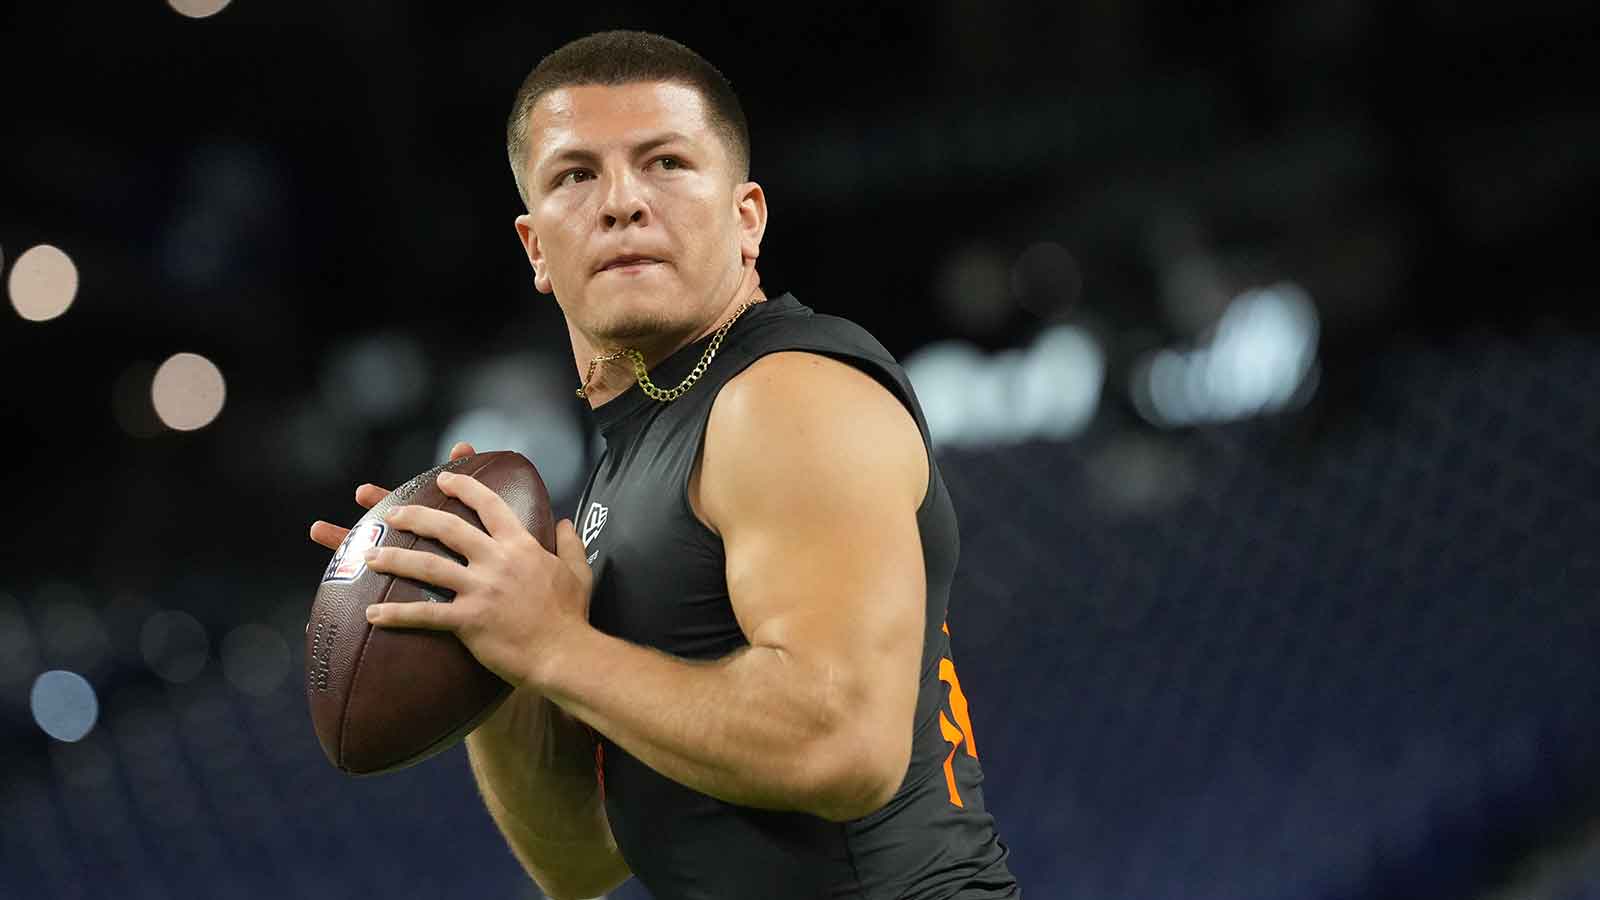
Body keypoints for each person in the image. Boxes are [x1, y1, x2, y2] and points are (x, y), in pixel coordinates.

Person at [309, 30, 1018, 900]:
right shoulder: (631, 456)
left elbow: (845, 749)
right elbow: (579, 861)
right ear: (535, 248)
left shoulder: (785, 396)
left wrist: (554, 644)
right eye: (576, 175)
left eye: (667, 163)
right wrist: (493, 644)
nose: (621, 203)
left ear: (747, 218)